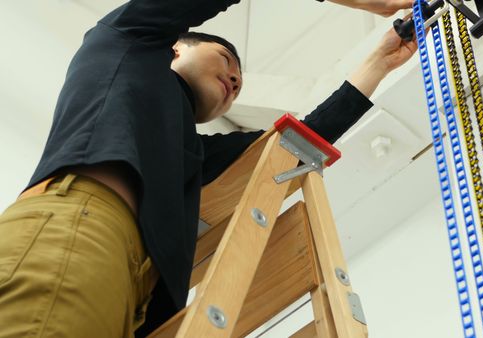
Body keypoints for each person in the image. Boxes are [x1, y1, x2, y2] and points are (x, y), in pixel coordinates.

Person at [0, 0, 417, 337]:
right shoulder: (123, 41)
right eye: (225, 60)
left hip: (138, 298)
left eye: (238, 85)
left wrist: (379, 61)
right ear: (176, 48)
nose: (235, 81)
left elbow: (298, 139)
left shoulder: (190, 153)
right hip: (83, 228)